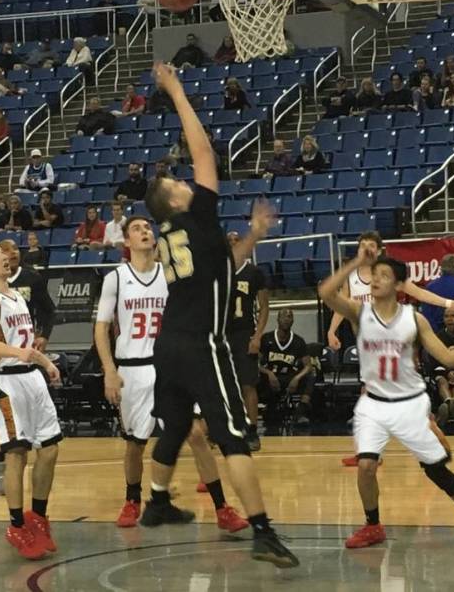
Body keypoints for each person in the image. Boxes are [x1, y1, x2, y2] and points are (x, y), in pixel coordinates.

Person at [141, 62, 297, 568]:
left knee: (175, 427)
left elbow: (220, 268)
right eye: (181, 182)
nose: (189, 181)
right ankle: (263, 531)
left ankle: (157, 502)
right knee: (233, 437)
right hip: (203, 343)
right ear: (175, 199)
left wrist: (251, 236)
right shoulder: (196, 213)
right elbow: (204, 150)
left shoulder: (174, 234)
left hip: (169, 343)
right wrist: (177, 90)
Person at [319, 248, 454, 549]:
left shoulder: (414, 320)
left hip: (410, 403)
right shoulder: (361, 313)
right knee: (365, 466)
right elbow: (325, 292)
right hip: (373, 402)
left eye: (384, 276)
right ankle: (373, 525)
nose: (375, 281)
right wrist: (357, 263)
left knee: (434, 469)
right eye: (374, 276)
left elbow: (447, 359)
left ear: (399, 286)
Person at [95, 215, 249, 531]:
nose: (144, 231)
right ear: (126, 241)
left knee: (194, 433)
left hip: (170, 364)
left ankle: (222, 508)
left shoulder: (171, 274)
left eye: (147, 228)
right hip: (132, 369)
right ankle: (132, 500)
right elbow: (101, 329)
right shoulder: (116, 277)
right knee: (135, 443)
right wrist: (109, 370)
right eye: (136, 228)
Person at [0, 239, 62, 560]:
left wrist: (46, 363)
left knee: (49, 449)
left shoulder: (16, 295)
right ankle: (16, 525)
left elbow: (27, 343)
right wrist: (21, 353)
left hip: (31, 377)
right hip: (8, 383)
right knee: (16, 454)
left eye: (4, 253)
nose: (4, 257)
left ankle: (39, 517)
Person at [328, 232, 454, 353]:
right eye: (363, 246)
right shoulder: (350, 277)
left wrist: (449, 303)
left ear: (379, 251)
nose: (366, 249)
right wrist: (331, 331)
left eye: (371, 246)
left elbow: (419, 293)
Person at [225, 231, 270, 450]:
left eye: (237, 241)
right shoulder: (218, 271)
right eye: (230, 242)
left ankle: (252, 430)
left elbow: (264, 307)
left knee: (247, 384)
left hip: (245, 334)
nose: (234, 244)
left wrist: (257, 336)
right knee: (223, 385)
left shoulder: (254, 273)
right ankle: (226, 429)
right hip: (222, 335)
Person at [258, 309, 314, 428]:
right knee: (251, 375)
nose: (286, 319)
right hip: (271, 377)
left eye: (289, 317)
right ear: (278, 319)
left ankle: (300, 413)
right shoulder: (266, 338)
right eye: (284, 316)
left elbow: (308, 366)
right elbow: (255, 363)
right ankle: (260, 408)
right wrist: (268, 373)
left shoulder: (299, 341)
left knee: (310, 376)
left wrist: (297, 378)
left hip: (289, 377)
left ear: (293, 320)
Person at [420, 254, 454, 332]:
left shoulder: (430, 287)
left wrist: (436, 332)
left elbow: (426, 314)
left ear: (441, 268)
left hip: (435, 334)